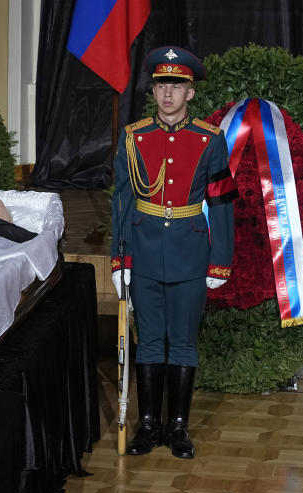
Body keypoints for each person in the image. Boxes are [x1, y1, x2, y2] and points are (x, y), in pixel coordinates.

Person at [110, 46, 236, 459]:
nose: (168, 94)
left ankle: (178, 427)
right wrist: (119, 259)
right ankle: (148, 425)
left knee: (182, 342)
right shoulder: (133, 138)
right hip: (144, 252)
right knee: (149, 343)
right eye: (162, 85)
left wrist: (221, 259)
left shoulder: (210, 140)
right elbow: (122, 203)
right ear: (153, 89)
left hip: (190, 251)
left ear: (191, 93)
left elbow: (221, 202)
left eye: (177, 86)